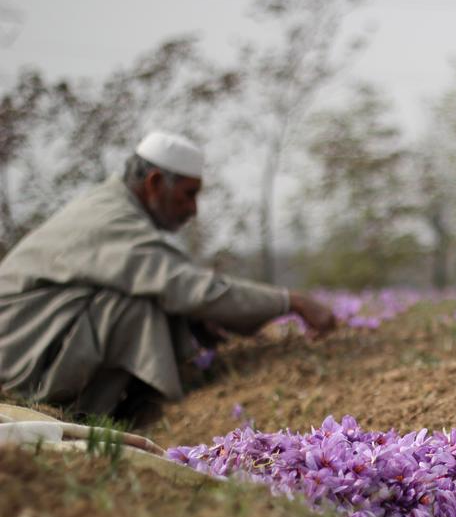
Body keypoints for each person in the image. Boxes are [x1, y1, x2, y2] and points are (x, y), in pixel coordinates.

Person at [0, 131, 335, 419]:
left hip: (25, 340)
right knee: (132, 306)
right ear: (156, 183)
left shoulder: (113, 206)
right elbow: (187, 286)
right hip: (20, 353)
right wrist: (291, 301)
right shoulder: (112, 219)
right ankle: (94, 411)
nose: (193, 209)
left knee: (150, 297)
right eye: (189, 194)